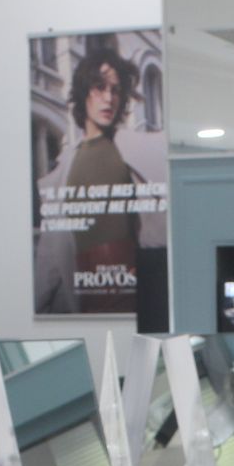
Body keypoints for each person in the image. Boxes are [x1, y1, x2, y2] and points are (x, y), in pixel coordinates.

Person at [33, 42, 144, 315]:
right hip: (82, 294)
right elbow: (50, 254)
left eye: (116, 90)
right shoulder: (63, 168)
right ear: (85, 92)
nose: (109, 98)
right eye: (100, 87)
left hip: (129, 291)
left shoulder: (131, 151)